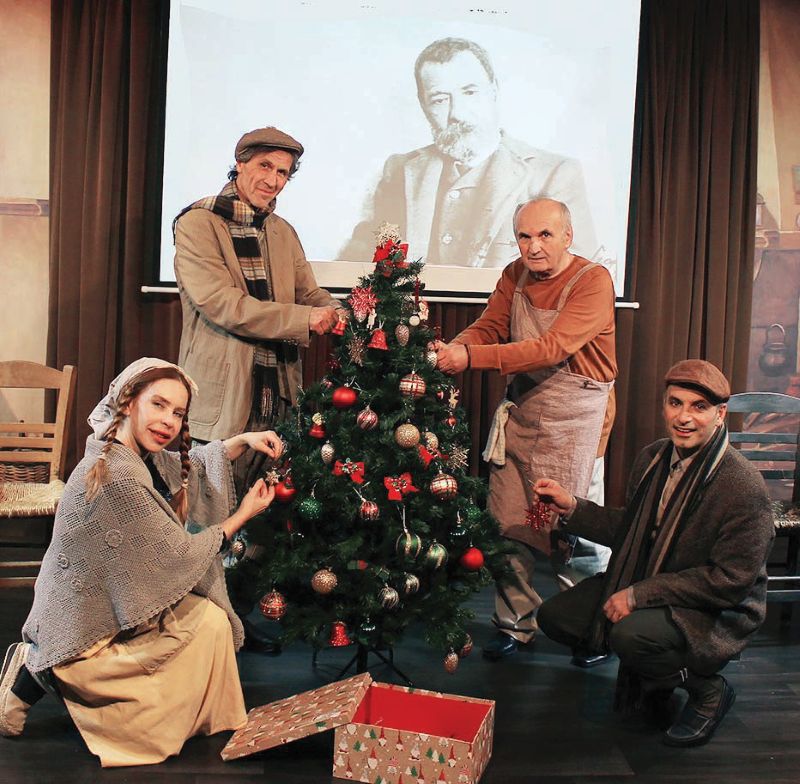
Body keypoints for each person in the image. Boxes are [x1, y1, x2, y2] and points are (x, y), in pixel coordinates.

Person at [0, 358, 283, 766]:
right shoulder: (117, 476)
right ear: (129, 402)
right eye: (158, 405)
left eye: (178, 413)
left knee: (209, 619)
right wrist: (243, 515)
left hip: (94, 607)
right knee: (200, 626)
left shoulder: (126, 452)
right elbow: (179, 555)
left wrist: (242, 440)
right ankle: (44, 670)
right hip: (79, 628)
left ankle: (174, 714)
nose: (168, 421)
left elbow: (189, 466)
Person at [534, 360, 774, 747]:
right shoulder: (653, 459)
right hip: (656, 579)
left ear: (720, 414)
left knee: (630, 634)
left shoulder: (742, 485)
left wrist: (639, 595)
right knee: (558, 616)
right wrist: (572, 507)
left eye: (699, 407)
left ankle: (708, 691)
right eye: (675, 403)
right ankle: (655, 679)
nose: (684, 417)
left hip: (715, 606)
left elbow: (729, 582)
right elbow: (631, 530)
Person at [173, 126, 340, 651]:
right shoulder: (198, 223)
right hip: (223, 394)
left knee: (263, 509)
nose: (273, 180)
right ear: (241, 163)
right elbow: (222, 304)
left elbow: (309, 293)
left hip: (278, 391)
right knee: (210, 511)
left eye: (283, 172)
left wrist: (339, 311)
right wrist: (305, 319)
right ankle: (197, 625)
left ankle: (237, 620)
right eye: (265, 166)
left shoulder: (282, 232)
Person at [435, 197, 616, 662]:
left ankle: (590, 631)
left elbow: (552, 347)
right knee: (508, 525)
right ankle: (514, 625)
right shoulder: (514, 275)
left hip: (576, 425)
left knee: (578, 534)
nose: (533, 247)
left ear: (568, 236)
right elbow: (490, 326)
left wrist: (470, 358)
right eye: (524, 236)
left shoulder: (593, 280)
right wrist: (454, 348)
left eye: (545, 235)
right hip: (524, 414)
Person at [339, 37, 596, 268]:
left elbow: (576, 275)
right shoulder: (399, 170)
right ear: (423, 105)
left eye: (470, 92)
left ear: (494, 90)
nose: (457, 113)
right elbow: (362, 261)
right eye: (440, 99)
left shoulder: (554, 174)